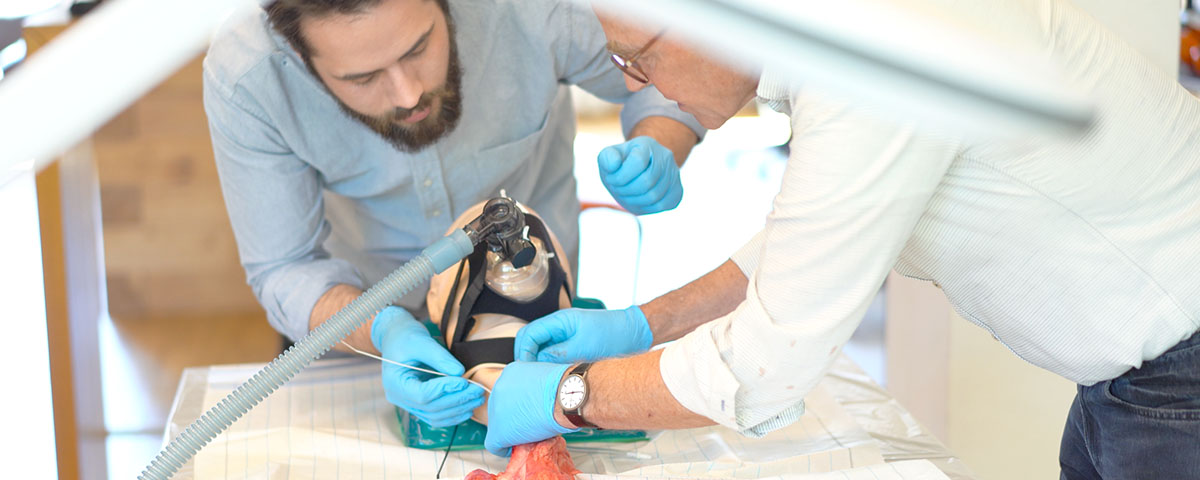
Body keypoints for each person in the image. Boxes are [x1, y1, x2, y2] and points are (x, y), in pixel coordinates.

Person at [483, 0, 1200, 477]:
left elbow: (762, 367)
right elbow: (815, 234)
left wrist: (570, 396)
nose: (642, 83)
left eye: (635, 57)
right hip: (1132, 379)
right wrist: (643, 324)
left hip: (1179, 374)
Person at [202, 0, 704, 429]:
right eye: (363, 78)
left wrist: (659, 141)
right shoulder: (249, 75)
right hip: (363, 345)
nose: (408, 94)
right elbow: (285, 267)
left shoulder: (531, 9)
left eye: (418, 47)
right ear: (298, 55)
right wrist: (379, 329)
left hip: (536, 327)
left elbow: (675, 67)